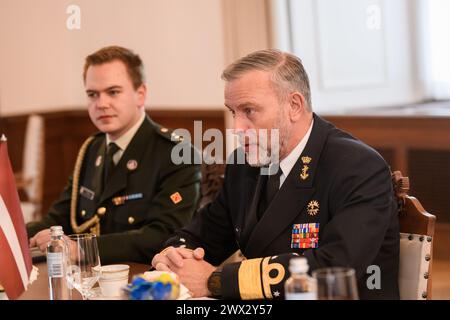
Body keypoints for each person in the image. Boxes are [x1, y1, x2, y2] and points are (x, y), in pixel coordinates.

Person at [151, 49, 399, 300]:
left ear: (294, 106)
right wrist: (173, 256)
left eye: (249, 110)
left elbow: (334, 267)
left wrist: (215, 280)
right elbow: (201, 234)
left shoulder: (357, 166)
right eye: (233, 112)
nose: (236, 128)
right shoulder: (243, 164)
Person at [27, 46, 201, 264]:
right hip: (88, 279)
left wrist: (82, 248)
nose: (101, 104)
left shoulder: (177, 153)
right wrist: (13, 236)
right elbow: (60, 218)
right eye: (92, 94)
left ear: (141, 94)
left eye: (113, 92)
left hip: (142, 281)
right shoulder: (92, 148)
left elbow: (164, 235)